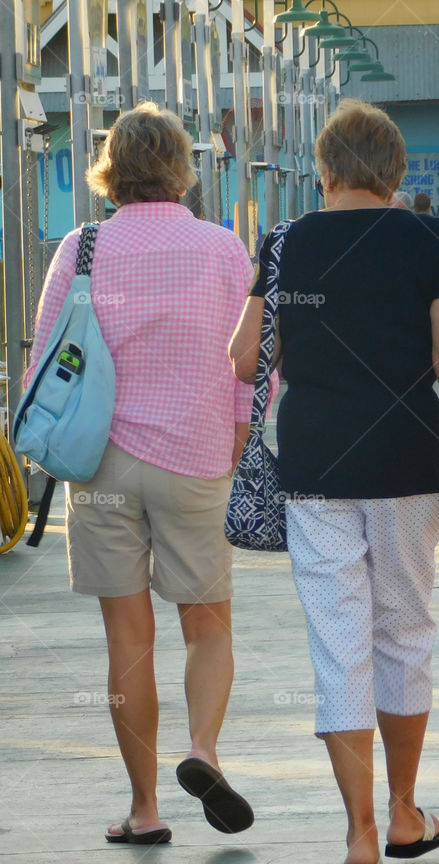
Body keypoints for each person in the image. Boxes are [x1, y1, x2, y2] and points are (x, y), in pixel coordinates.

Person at [229, 99, 439, 864]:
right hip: (404, 459)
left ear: (325, 170)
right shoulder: (425, 236)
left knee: (339, 648)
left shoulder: (287, 242)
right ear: (394, 171)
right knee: (403, 632)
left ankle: (359, 832)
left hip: (313, 463)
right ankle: (403, 813)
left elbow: (243, 358)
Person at [25, 102, 255, 845]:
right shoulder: (223, 250)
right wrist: (238, 433)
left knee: (129, 638)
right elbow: (257, 359)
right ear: (182, 167)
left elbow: (44, 362)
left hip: (102, 463)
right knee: (207, 622)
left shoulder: (82, 247)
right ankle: (204, 749)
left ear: (111, 170)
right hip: (197, 456)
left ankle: (145, 809)